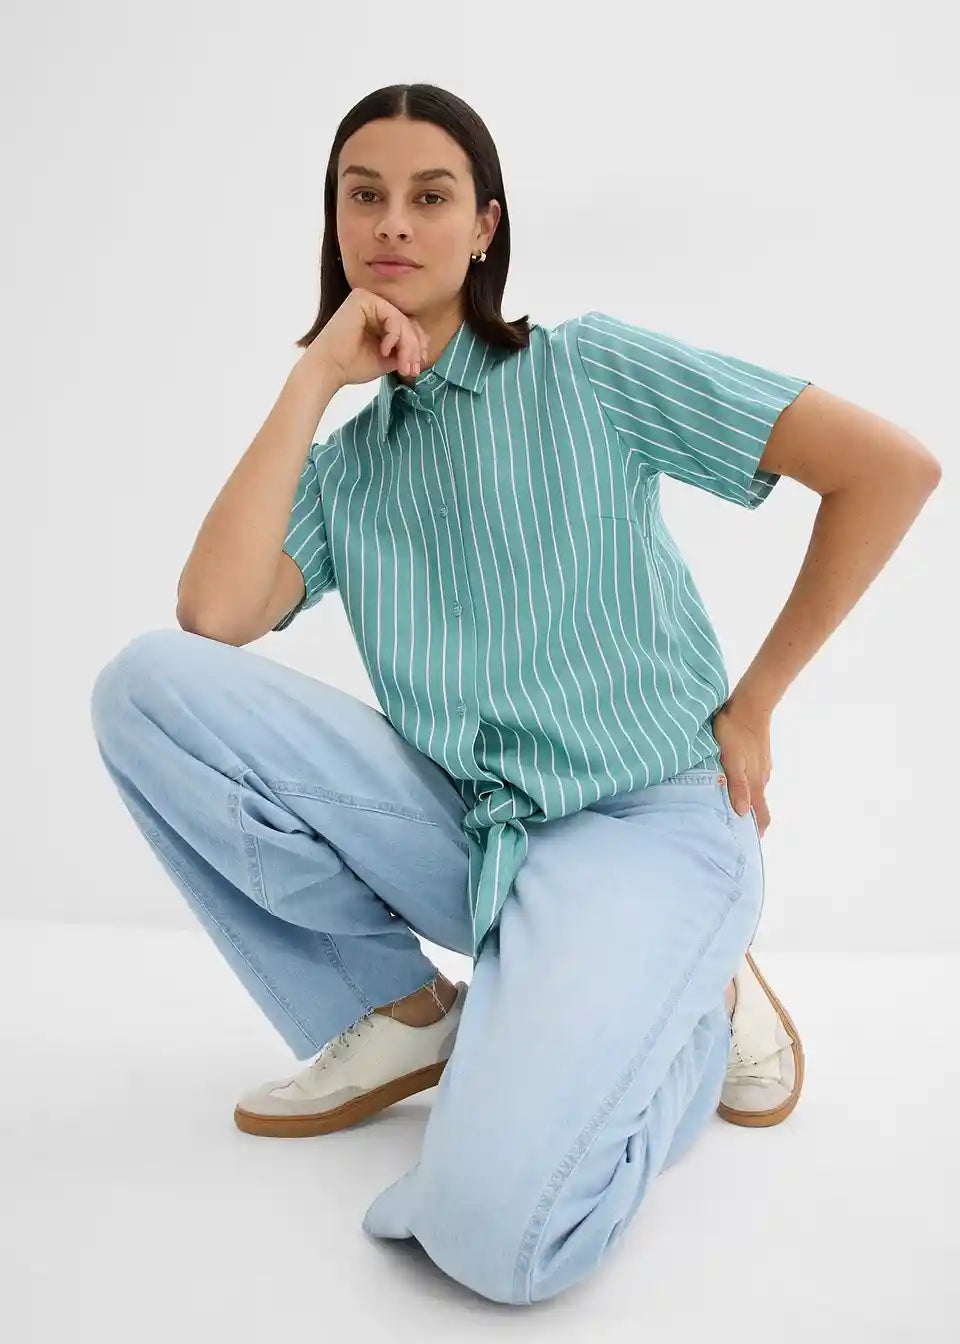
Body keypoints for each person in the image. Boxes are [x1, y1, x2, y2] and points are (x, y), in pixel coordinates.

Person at [89, 82, 941, 1306]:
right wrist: (313, 379)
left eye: (430, 196)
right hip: (475, 832)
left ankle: (689, 1011)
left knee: (492, 1237)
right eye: (363, 196)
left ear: (485, 225)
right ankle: (401, 1013)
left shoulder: (588, 368)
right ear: (335, 223)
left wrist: (755, 704)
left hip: (643, 828)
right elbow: (212, 616)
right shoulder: (349, 469)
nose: (394, 222)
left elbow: (888, 470)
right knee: (146, 691)